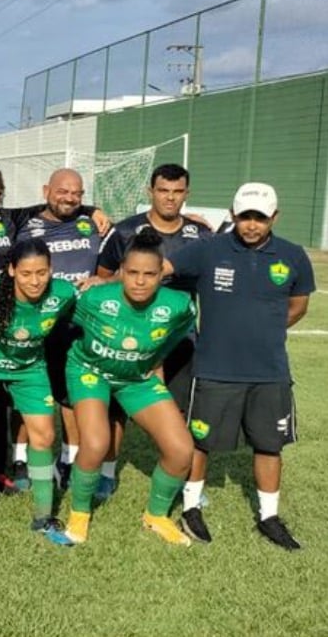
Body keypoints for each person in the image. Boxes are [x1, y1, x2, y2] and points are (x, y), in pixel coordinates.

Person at [170, 183, 314, 549]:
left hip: (270, 373)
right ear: (233, 215)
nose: (252, 225)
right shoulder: (208, 249)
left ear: (274, 218)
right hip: (215, 369)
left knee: (269, 445)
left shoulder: (293, 255)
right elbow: (162, 267)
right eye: (245, 216)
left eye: (260, 218)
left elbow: (298, 305)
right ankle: (190, 507)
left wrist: (263, 330)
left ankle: (269, 516)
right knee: (200, 442)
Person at [64, 232, 196, 546]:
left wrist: (159, 359)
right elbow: (59, 317)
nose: (139, 281)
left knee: (181, 450)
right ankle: (79, 514)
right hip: (90, 372)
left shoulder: (179, 305)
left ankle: (156, 515)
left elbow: (180, 332)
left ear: (162, 272)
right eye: (132, 272)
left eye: (149, 274)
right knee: (96, 443)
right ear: (122, 269)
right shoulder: (94, 298)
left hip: (138, 379)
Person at [93, 163, 211, 499]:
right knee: (116, 410)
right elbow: (102, 278)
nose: (170, 198)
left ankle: (183, 478)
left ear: (187, 193)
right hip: (129, 340)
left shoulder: (201, 235)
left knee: (181, 409)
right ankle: (106, 473)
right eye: (163, 191)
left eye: (177, 192)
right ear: (150, 191)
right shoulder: (126, 231)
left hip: (181, 341)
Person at [0, 238, 77, 546]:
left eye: (41, 272)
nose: (35, 281)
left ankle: (43, 517)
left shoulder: (62, 294)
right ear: (11, 270)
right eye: (26, 273)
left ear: (51, 270)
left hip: (29, 368)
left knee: (45, 435)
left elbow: (92, 305)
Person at [15, 168, 106, 491]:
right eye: (62, 191)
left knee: (69, 397)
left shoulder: (93, 224)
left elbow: (130, 243)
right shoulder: (25, 226)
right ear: (45, 190)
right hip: (35, 323)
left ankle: (68, 458)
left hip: (78, 325)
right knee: (28, 393)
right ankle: (20, 457)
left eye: (76, 193)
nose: (68, 197)